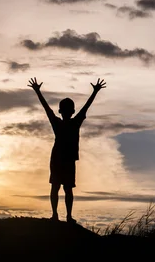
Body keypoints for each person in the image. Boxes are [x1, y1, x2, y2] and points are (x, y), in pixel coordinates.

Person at [28, 77, 106, 223]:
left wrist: (38, 91)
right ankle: (59, 216)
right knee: (60, 187)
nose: (66, 112)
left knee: (62, 187)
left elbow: (48, 108)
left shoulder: (68, 122)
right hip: (61, 158)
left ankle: (62, 216)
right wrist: (95, 92)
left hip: (64, 158)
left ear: (63, 111)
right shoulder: (70, 122)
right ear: (69, 111)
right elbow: (83, 108)